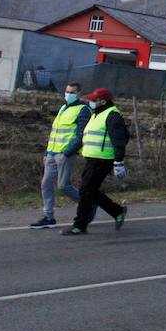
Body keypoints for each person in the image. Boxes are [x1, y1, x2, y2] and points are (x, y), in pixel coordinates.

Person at [62, 88, 128, 235]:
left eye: (94, 100)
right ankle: (117, 211)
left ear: (103, 101)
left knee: (86, 191)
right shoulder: (97, 114)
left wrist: (118, 162)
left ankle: (80, 225)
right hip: (93, 159)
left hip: (103, 160)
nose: (90, 102)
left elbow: (120, 140)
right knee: (89, 191)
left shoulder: (112, 115)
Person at [32, 82, 90, 229]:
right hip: (52, 154)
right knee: (46, 184)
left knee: (64, 186)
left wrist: (68, 152)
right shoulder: (63, 108)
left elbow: (82, 134)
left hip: (65, 154)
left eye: (72, 92)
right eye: (67, 91)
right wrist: (47, 152)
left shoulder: (83, 109)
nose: (68, 94)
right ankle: (48, 216)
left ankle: (88, 203)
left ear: (79, 94)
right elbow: (55, 132)